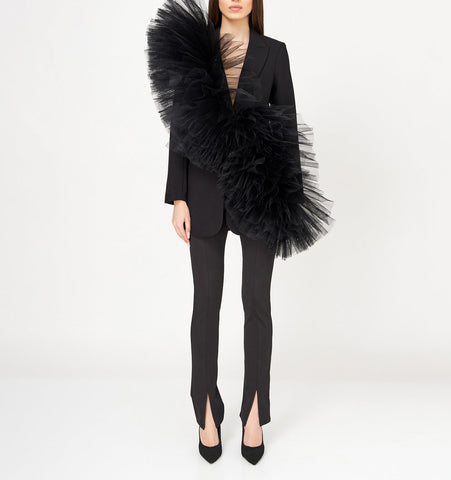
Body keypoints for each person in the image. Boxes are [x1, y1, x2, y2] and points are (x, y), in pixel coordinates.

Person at [147, 0, 335, 465]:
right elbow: (181, 123)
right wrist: (178, 197)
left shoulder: (275, 52)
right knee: (205, 306)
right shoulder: (198, 46)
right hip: (203, 192)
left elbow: (286, 125)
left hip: (260, 191)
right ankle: (206, 411)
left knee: (257, 304)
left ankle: (254, 411)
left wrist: (290, 198)